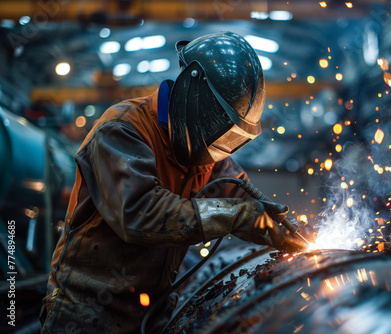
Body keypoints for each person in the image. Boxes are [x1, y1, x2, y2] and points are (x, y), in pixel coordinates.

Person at [40, 31, 311, 333]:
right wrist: (237, 216)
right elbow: (140, 213)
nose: (219, 144)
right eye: (219, 126)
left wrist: (287, 227)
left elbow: (242, 194)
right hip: (85, 315)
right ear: (193, 95)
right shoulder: (121, 130)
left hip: (151, 313)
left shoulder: (207, 155)